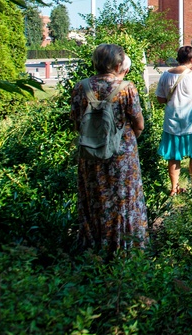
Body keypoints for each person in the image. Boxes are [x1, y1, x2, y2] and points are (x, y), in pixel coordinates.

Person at [70, 43, 147, 254]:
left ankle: (94, 248)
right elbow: (138, 123)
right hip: (122, 154)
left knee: (95, 198)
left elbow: (77, 122)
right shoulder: (126, 87)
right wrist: (128, 139)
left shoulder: (81, 86)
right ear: (118, 63)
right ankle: (125, 248)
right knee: (124, 198)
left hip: (90, 152)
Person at [155, 46, 192, 195]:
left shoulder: (165, 75)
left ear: (177, 58)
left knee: (173, 156)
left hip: (173, 122)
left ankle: (174, 188)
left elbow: (160, 99)